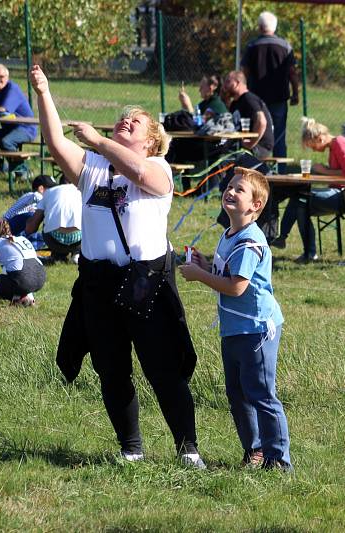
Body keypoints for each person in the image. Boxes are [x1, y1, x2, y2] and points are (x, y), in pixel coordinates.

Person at [30, 65, 205, 468]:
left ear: (152, 140)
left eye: (137, 120)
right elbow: (56, 144)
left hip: (146, 279)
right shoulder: (92, 167)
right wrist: (44, 91)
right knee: (112, 370)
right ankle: (131, 448)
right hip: (98, 280)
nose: (127, 120)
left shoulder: (159, 168)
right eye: (123, 117)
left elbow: (141, 172)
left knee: (163, 369)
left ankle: (188, 449)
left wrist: (100, 141)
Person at [179, 167, 291, 471]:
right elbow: (227, 274)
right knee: (238, 393)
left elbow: (237, 287)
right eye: (229, 186)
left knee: (261, 394)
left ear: (255, 206)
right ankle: (254, 451)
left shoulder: (249, 240)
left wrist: (200, 276)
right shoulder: (229, 235)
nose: (230, 191)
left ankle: (278, 459)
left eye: (239, 190)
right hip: (234, 328)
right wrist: (206, 265)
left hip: (257, 329)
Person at [275, 117, 345, 263]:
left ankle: (295, 244)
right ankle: (303, 250)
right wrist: (326, 170)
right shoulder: (334, 146)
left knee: (299, 199)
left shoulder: (340, 143)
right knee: (300, 202)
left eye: (312, 146)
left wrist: (324, 170)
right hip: (341, 192)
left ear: (320, 138)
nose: (314, 150)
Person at [242, 11, 300, 173]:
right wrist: (296, 93)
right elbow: (292, 73)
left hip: (256, 100)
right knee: (279, 137)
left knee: (257, 135)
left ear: (260, 27)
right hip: (279, 98)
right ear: (274, 27)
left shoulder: (252, 46)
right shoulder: (285, 46)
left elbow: (244, 72)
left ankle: (256, 170)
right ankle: (281, 172)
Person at [25, 178, 82, 263]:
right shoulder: (82, 190)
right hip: (80, 241)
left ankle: (58, 255)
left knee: (47, 221)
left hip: (55, 242)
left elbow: (31, 228)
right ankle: (77, 253)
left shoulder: (48, 193)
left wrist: (28, 219)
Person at [223, 70, 274, 160]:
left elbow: (262, 122)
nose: (224, 86)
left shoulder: (249, 99)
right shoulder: (235, 103)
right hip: (241, 145)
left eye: (228, 82)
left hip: (259, 147)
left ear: (237, 83)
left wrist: (250, 144)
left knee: (224, 160)